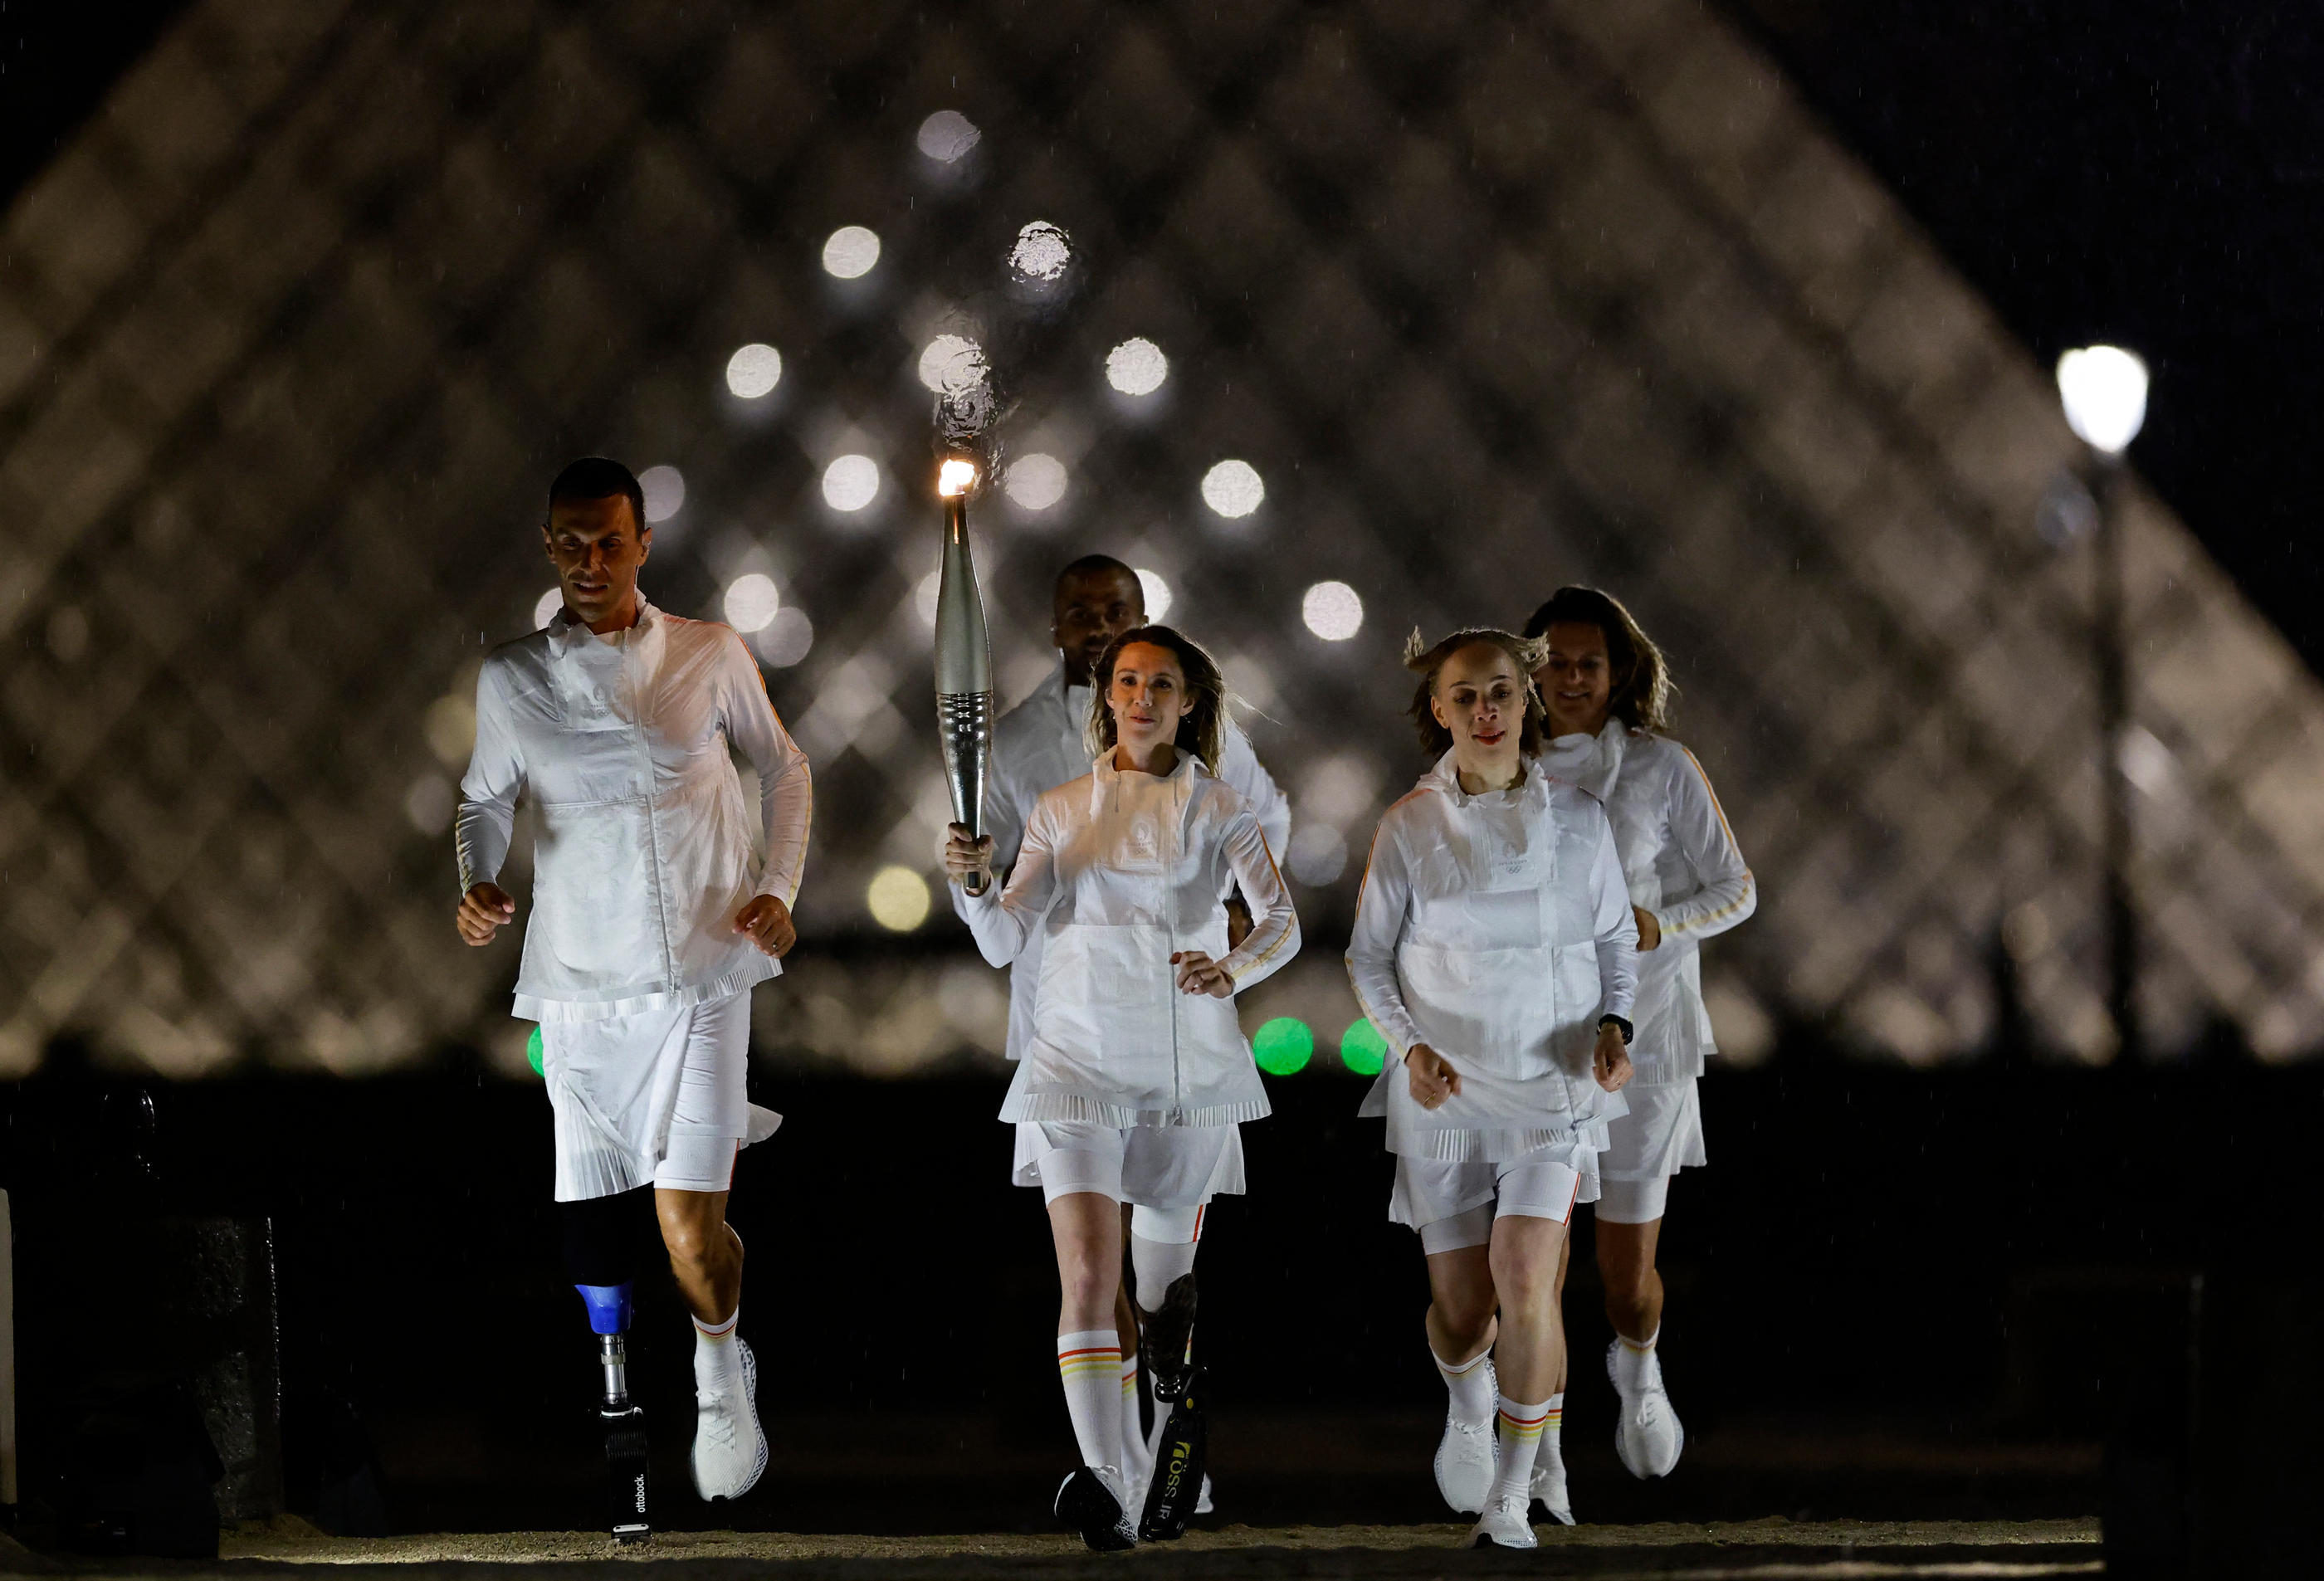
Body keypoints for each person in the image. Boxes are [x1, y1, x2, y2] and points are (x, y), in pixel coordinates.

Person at [454, 456, 811, 1505]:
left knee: (688, 1232)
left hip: (707, 972)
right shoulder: (513, 679)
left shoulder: (710, 652)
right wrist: (476, 878)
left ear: (644, 543)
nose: (590, 560)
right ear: (549, 547)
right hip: (578, 989)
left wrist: (780, 887)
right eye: (570, 541)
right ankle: (635, 1397)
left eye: (610, 540)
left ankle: (719, 1369)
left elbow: (785, 768)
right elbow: (483, 800)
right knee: (599, 1233)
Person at [943, 625, 1299, 1550]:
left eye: (1161, 684)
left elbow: (1281, 923)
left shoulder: (1220, 806)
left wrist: (1234, 968)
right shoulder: (1059, 809)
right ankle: (1113, 1482)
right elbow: (1001, 938)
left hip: (1184, 1064)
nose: (1141, 697)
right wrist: (976, 884)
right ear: (1106, 696)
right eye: (1128, 682)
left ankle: (1166, 1421)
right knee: (1088, 1278)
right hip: (1074, 1058)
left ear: (1188, 702)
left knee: (1157, 1293)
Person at [1346, 627, 1637, 1548]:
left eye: (1502, 692)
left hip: (1552, 1088)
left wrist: (1614, 1027)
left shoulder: (1583, 822)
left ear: (1529, 701)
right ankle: (1469, 1401)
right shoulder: (1406, 826)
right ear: (1437, 710)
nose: (1485, 710)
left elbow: (1615, 945)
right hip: (1443, 1095)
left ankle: (1514, 1491)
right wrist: (1408, 1046)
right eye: (1465, 695)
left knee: (1526, 1275)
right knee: (1464, 1312)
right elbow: (1367, 956)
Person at [1526, 587, 1755, 1486]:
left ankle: (1637, 1362)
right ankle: (1531, 1447)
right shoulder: (1496, 765)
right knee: (1532, 1266)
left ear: (1620, 673)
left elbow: (1736, 887)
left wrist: (1661, 925)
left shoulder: (1664, 769)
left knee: (1624, 1279)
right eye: (1555, 661)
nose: (1572, 678)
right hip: (1533, 1041)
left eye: (1590, 662)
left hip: (1647, 1040)